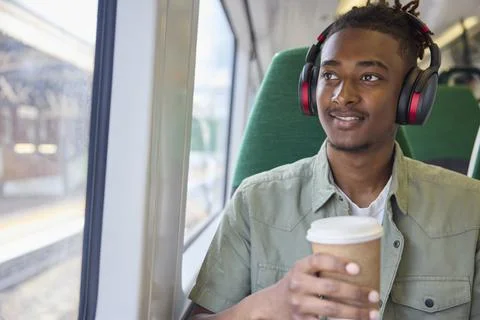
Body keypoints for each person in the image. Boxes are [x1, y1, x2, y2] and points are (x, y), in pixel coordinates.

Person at [189, 1, 480, 319]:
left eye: (369, 77)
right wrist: (269, 305)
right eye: (329, 75)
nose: (343, 95)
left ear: (412, 95)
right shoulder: (254, 202)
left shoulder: (470, 207)